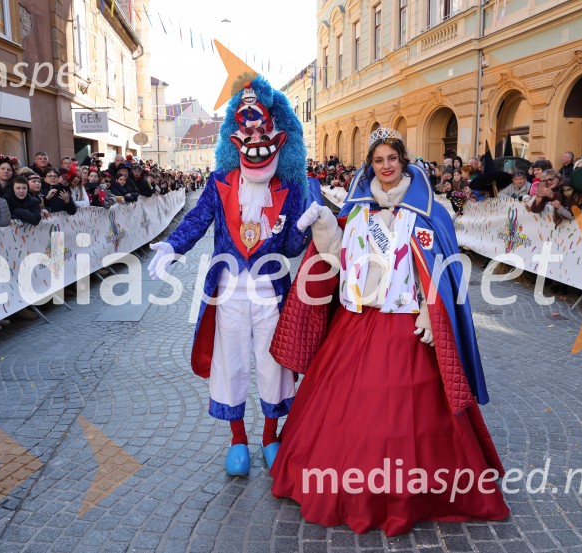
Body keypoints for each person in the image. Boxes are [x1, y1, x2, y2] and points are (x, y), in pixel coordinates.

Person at [270, 128, 509, 534]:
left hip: (405, 321)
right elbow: (339, 258)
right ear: (371, 164)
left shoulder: (428, 211)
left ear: (404, 161)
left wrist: (433, 314)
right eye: (378, 161)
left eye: (392, 160)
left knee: (409, 409)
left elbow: (439, 267)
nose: (385, 167)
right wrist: (326, 226)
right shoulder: (358, 209)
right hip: (358, 318)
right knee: (341, 405)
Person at [147, 77, 311, 477]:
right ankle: (238, 439)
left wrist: (306, 223)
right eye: (245, 126)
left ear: (279, 135)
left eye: (263, 125)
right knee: (231, 362)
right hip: (228, 290)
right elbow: (198, 219)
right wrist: (173, 245)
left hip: (271, 291)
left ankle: (271, 435)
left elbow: (290, 248)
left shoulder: (290, 188)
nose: (255, 135)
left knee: (274, 364)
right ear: (232, 138)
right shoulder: (219, 183)